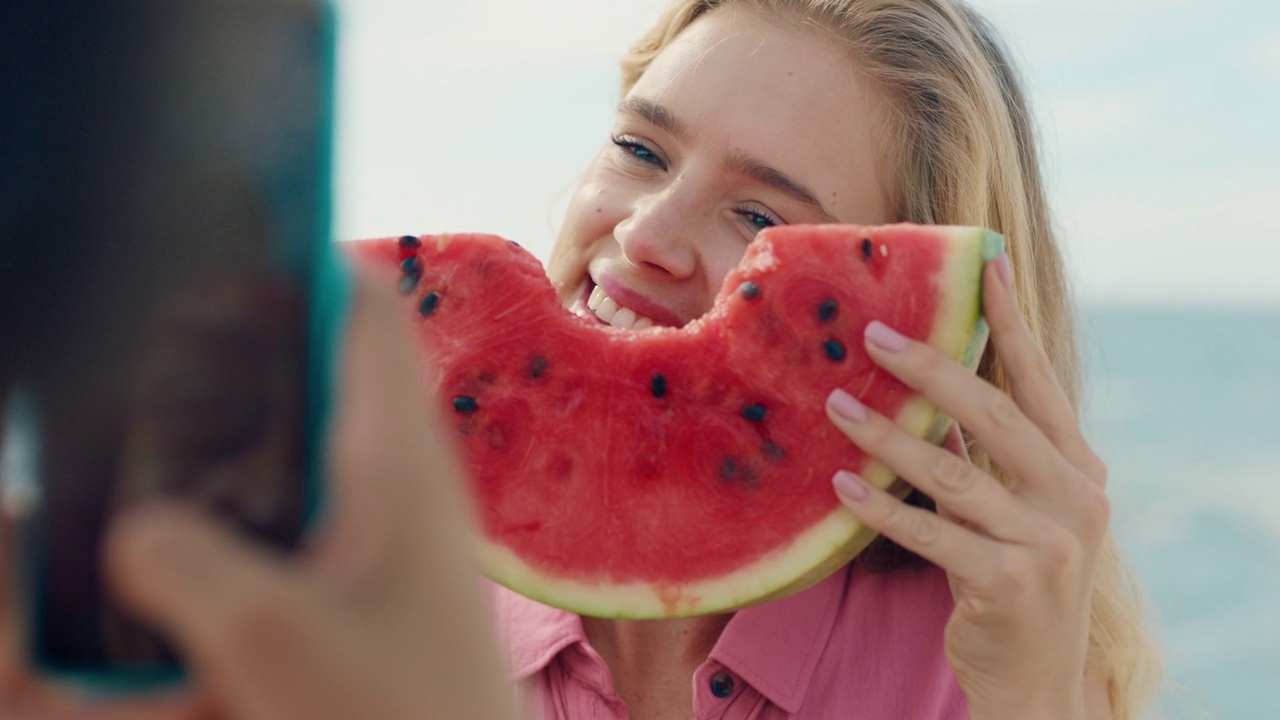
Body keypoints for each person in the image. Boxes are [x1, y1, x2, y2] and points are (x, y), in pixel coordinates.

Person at [0, 0, 1162, 718]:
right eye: (638, 146)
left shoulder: (990, 664)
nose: (645, 233)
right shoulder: (344, 570)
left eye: (761, 221)